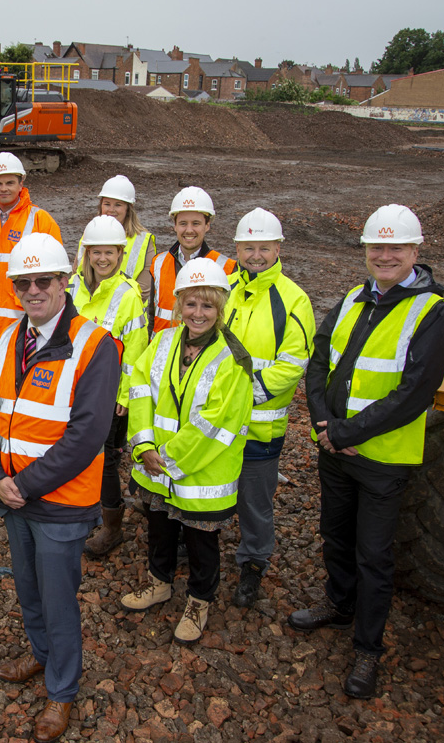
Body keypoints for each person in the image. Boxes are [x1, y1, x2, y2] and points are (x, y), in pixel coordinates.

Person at [292, 204, 444, 699]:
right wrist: (324, 421)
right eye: (376, 247)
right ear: (365, 250)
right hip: (335, 447)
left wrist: (342, 432)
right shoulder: (352, 298)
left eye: (395, 248)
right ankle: (339, 605)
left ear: (415, 251)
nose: (384, 256)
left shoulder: (432, 313)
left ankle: (368, 647)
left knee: (374, 557)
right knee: (335, 537)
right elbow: (319, 361)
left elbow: (414, 393)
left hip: (382, 459)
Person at [0, 233, 120, 743]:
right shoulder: (11, 338)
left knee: (59, 600)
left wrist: (24, 484)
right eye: (24, 283)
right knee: (28, 588)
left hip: (60, 503)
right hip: (14, 497)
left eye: (44, 281)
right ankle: (40, 655)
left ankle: (61, 690)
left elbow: (88, 435)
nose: (33, 290)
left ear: (65, 282)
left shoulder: (96, 345)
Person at [121, 258, 253, 646]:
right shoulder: (162, 342)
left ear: (220, 308)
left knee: (201, 541)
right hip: (156, 464)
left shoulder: (234, 358)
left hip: (201, 474)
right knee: (159, 527)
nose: (198, 313)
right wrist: (144, 446)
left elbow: (219, 424)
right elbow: (140, 389)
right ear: (178, 304)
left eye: (207, 305)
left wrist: (169, 460)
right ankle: (158, 583)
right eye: (191, 304)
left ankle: (200, 600)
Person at [225, 208, 316, 607]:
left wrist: (244, 394)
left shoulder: (293, 300)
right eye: (249, 247)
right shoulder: (222, 287)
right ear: (237, 248)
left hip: (260, 429)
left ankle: (254, 562)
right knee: (207, 489)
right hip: (215, 424)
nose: (256, 255)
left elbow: (293, 365)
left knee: (255, 503)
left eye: (264, 247)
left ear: (278, 248)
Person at [67, 216, 149, 557]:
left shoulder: (128, 295)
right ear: (86, 253)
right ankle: (80, 513)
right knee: (73, 451)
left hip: (107, 394)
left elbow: (136, 348)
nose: (103, 259)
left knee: (105, 462)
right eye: (97, 252)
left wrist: (124, 393)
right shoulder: (72, 285)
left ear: (120, 253)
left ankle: (112, 527)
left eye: (110, 253)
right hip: (71, 388)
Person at [0, 152, 63, 370]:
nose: (3, 188)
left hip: (29, 318)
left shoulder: (40, 220)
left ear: (21, 183)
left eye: (9, 182)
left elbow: (56, 271)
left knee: (28, 380)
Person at [148, 187, 237, 333]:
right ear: (175, 225)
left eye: (196, 223)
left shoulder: (226, 268)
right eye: (183, 223)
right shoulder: (158, 263)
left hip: (203, 352)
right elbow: (151, 316)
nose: (189, 230)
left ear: (207, 225)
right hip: (162, 350)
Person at [76, 175, 157, 301]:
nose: (111, 210)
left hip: (123, 311)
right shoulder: (90, 233)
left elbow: (143, 291)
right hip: (87, 308)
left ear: (128, 209)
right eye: (107, 204)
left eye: (118, 205)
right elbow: (77, 273)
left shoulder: (143, 241)